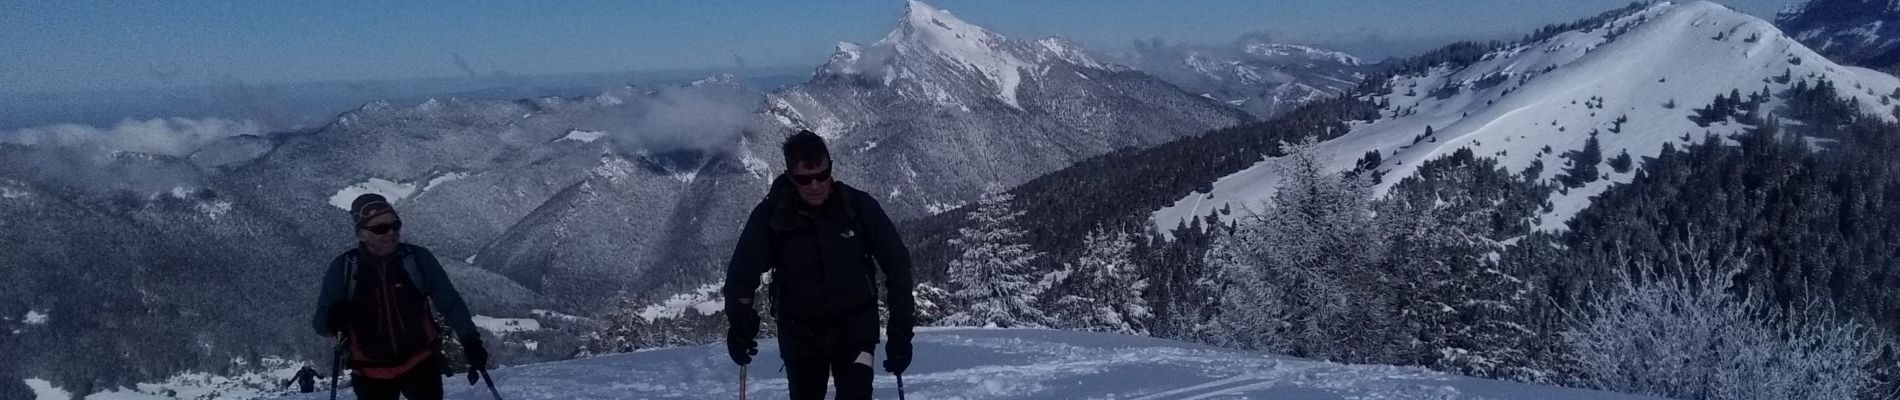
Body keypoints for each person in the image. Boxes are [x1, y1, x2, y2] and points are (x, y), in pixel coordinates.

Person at [724, 130, 917, 400]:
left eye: (822, 175)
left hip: (855, 328)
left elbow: (897, 264)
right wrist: (740, 320)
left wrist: (901, 331)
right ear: (791, 177)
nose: (815, 185)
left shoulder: (857, 207)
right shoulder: (773, 216)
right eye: (805, 179)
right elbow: (742, 272)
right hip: (800, 332)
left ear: (831, 170)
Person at [311, 194, 490, 400]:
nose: (391, 233)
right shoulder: (343, 269)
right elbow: (320, 325)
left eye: (395, 225)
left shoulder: (417, 259)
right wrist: (334, 318)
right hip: (370, 374)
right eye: (380, 228)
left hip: (421, 365)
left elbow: (450, 303)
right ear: (361, 235)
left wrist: (470, 340)